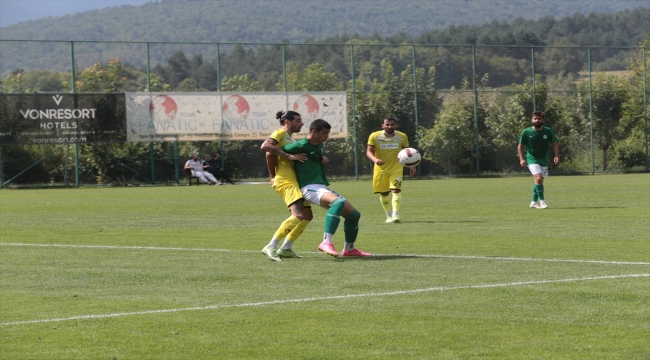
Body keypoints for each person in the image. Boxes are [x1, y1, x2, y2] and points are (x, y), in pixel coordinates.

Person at [282, 119, 371, 257]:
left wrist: (321, 158)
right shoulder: (301, 144)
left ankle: (349, 249)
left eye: (328, 133)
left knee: (354, 215)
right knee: (338, 202)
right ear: (314, 132)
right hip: (308, 188)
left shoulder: (318, 145)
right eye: (324, 133)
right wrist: (289, 156)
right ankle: (326, 242)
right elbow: (277, 151)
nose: (327, 136)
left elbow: (312, 157)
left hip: (320, 187)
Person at [259, 111, 312, 261]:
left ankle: (286, 248)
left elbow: (271, 154)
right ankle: (271, 246)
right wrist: (287, 158)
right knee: (299, 215)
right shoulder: (280, 133)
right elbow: (266, 147)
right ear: (287, 121)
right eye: (298, 120)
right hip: (286, 180)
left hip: (294, 180)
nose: (301, 124)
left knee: (307, 216)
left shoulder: (289, 139)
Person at [366, 117, 417, 223]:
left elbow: (408, 152)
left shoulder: (402, 136)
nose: (390, 126)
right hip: (380, 170)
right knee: (384, 194)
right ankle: (388, 215)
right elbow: (369, 152)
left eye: (392, 124)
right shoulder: (374, 136)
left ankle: (395, 215)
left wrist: (412, 165)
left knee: (395, 191)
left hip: (396, 168)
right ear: (382, 125)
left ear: (396, 125)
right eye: (387, 124)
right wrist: (375, 159)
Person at [518, 111, 559, 209]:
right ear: (531, 120)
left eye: (539, 118)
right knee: (539, 178)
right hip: (531, 159)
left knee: (539, 181)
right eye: (535, 118)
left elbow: (555, 143)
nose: (537, 120)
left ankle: (533, 202)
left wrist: (556, 155)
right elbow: (520, 146)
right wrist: (522, 158)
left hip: (543, 159)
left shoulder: (548, 131)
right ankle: (542, 201)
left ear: (543, 120)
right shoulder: (526, 132)